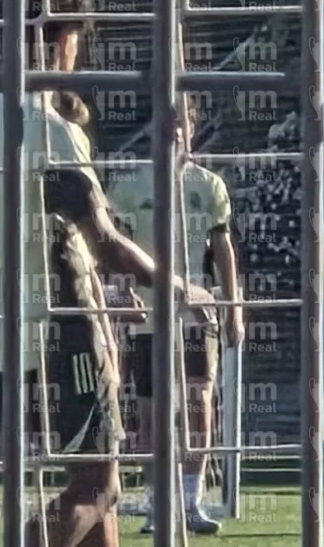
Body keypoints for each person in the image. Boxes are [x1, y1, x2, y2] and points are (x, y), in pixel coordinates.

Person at [0, 0, 214, 546]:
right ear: (60, 42)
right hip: (69, 326)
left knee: (4, 455)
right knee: (99, 485)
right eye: (76, 40)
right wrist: (179, 286)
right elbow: (103, 241)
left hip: (0, 326)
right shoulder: (57, 133)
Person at [107, 104, 245, 535]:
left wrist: (233, 306)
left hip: (196, 313)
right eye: (166, 124)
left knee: (199, 403)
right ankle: (156, 504)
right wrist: (121, 288)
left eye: (182, 124)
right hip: (147, 315)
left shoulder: (208, 185)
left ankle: (190, 499)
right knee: (150, 415)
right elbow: (111, 241)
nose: (174, 132)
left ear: (192, 127)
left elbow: (223, 250)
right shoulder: (129, 184)